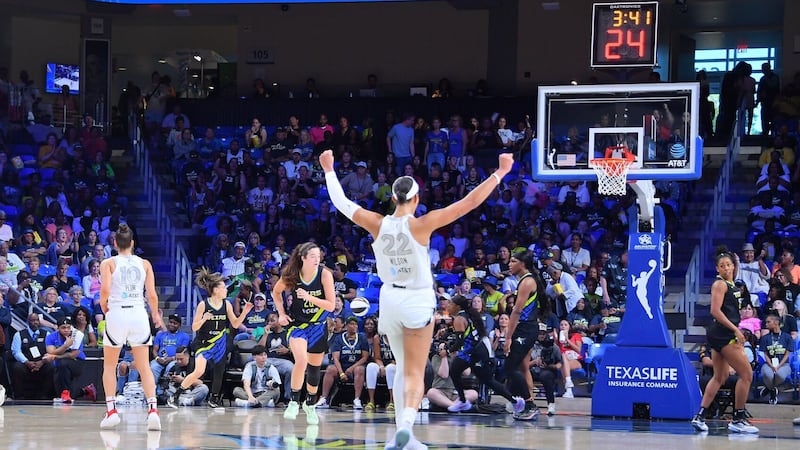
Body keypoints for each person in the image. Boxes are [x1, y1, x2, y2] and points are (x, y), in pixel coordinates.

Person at [322, 148, 513, 449]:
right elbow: (469, 203)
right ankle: (407, 427)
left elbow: (341, 202)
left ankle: (403, 435)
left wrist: (329, 169)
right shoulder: (422, 224)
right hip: (416, 300)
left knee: (400, 367)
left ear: (394, 197)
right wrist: (500, 172)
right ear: (415, 199)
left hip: (389, 300)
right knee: (413, 371)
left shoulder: (376, 222)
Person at [98, 224, 163, 430]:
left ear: (115, 243)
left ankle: (111, 411)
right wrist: (155, 316)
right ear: (132, 244)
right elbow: (151, 294)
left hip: (117, 312)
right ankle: (153, 410)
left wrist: (104, 307)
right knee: (144, 366)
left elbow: (105, 290)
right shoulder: (144, 263)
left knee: (110, 365)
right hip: (138, 313)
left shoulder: (108, 263)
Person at [691, 246, 758, 434]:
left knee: (720, 377)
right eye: (723, 265)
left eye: (729, 264)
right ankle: (738, 418)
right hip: (724, 334)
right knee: (746, 375)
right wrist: (736, 329)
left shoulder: (732, 284)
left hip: (718, 334)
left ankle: (700, 416)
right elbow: (715, 311)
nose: (727, 268)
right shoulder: (719, 284)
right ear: (717, 269)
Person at [168, 268, 252, 409]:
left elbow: (236, 323)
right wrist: (204, 319)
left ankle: (214, 399)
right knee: (199, 371)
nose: (226, 290)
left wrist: (245, 312)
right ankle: (175, 395)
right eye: (224, 288)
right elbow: (194, 327)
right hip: (204, 342)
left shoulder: (226, 304)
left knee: (220, 370)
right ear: (216, 290)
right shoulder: (203, 305)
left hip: (219, 342)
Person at [272, 242, 336, 425]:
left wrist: (309, 298)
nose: (317, 259)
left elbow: (331, 305)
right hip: (297, 325)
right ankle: (293, 401)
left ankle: (309, 404)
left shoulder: (324, 274)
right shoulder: (292, 274)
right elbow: (276, 293)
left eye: (319, 256)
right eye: (313, 256)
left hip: (318, 325)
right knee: (301, 359)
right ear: (303, 258)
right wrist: (281, 313)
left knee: (314, 369)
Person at [445, 294, 524, 413]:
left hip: (474, 351)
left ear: (456, 306)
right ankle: (515, 401)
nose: (448, 305)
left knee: (454, 371)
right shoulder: (467, 315)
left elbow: (460, 341)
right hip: (478, 350)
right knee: (487, 380)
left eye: (450, 303)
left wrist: (447, 351)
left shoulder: (459, 319)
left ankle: (462, 401)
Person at [503, 251, 545, 420]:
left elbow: (517, 311)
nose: (509, 264)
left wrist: (508, 337)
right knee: (522, 368)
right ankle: (528, 403)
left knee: (509, 368)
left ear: (523, 264)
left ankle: (529, 404)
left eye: (513, 261)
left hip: (525, 329)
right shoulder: (525, 280)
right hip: (528, 328)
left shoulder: (527, 282)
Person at [758, 314, 792, 404]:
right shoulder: (765, 338)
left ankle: (768, 388)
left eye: (769, 322)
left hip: (784, 364)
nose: (766, 324)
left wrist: (779, 366)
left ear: (776, 322)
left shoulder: (787, 337)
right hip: (769, 364)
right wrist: (772, 366)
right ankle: (773, 391)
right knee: (767, 374)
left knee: (779, 375)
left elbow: (787, 354)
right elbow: (765, 354)